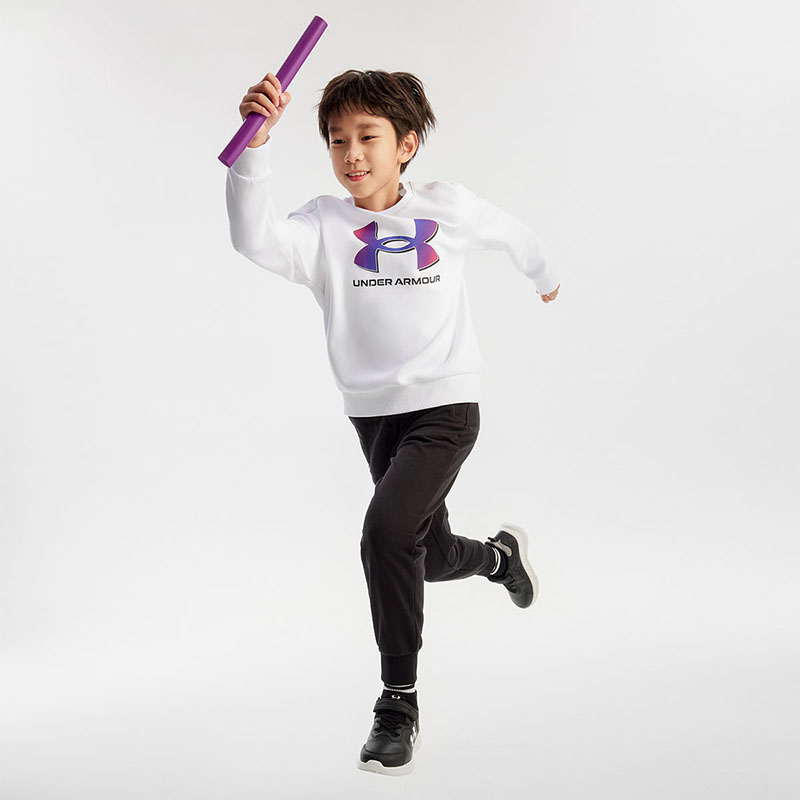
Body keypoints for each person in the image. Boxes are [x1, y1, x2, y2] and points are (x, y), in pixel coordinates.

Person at [224, 68, 560, 776]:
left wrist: (545, 277)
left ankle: (397, 702)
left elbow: (514, 234)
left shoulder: (446, 207)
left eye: (368, 137)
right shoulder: (322, 226)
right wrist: (255, 145)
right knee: (423, 556)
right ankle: (498, 559)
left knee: (384, 533)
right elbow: (254, 239)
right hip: (375, 419)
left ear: (405, 144)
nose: (352, 154)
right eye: (337, 140)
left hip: (446, 407)